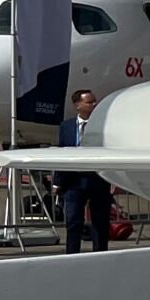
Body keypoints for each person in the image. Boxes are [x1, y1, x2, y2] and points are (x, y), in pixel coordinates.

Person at [58, 88, 113, 253]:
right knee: (73, 221)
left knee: (100, 222)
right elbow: (62, 152)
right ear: (78, 105)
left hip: (98, 179)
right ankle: (72, 255)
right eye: (89, 102)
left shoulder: (104, 125)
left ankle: (100, 253)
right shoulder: (66, 126)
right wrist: (57, 181)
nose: (94, 104)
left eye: (94, 101)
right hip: (74, 181)